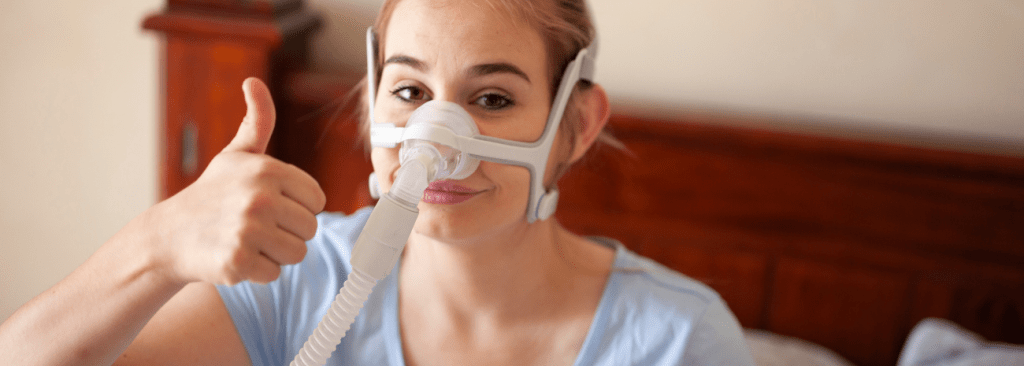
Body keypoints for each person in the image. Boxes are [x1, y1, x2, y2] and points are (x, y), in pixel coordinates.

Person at [0, 0, 756, 365]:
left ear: (577, 126)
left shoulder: (678, 343)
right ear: (371, 102)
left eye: (491, 99)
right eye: (410, 92)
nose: (439, 139)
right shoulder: (291, 284)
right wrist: (154, 246)